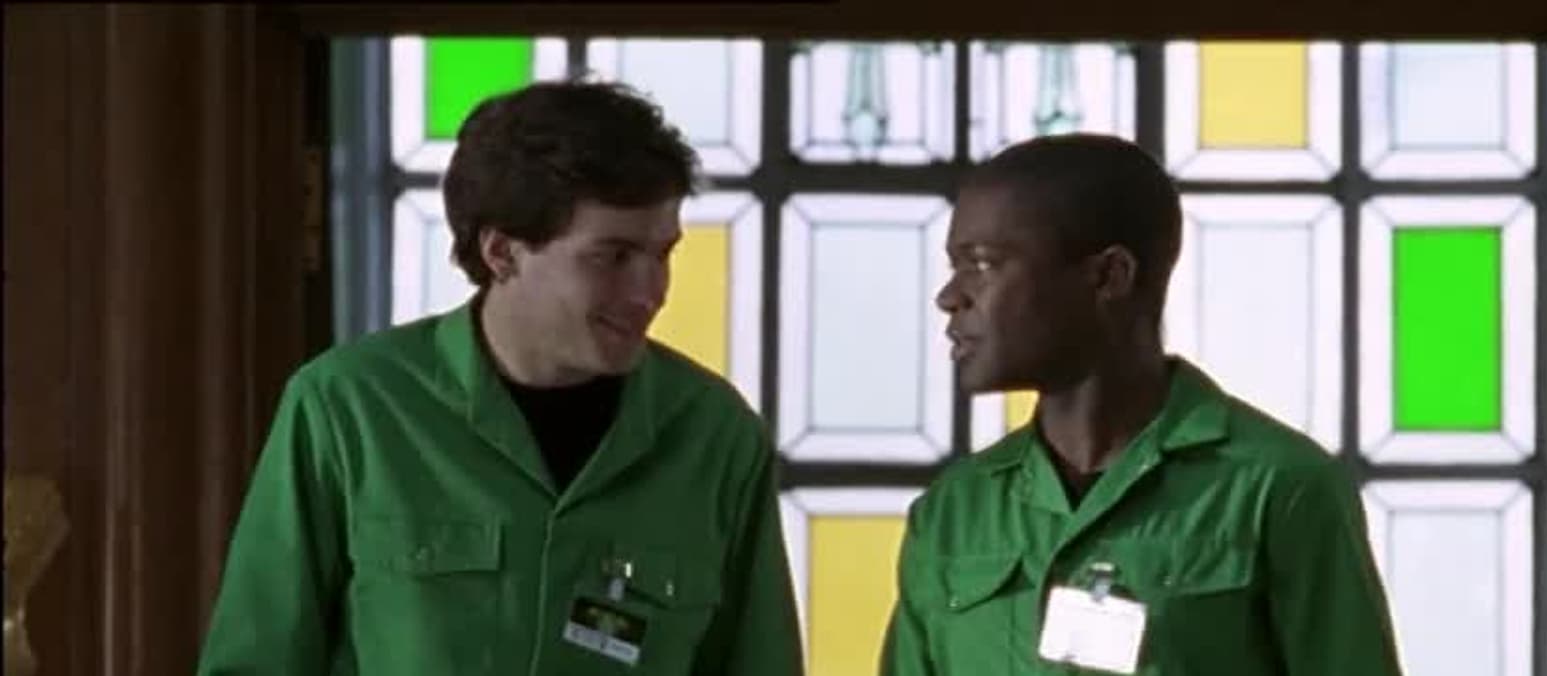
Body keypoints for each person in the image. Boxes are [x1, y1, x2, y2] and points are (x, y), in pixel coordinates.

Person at [197, 80, 803, 675]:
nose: (651, 292)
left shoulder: (716, 435)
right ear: (502, 253)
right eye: (613, 256)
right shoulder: (345, 408)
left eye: (662, 254)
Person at [880, 134, 1403, 675]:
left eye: (982, 265)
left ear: (1110, 275)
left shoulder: (1279, 487)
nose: (950, 297)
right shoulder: (952, 513)